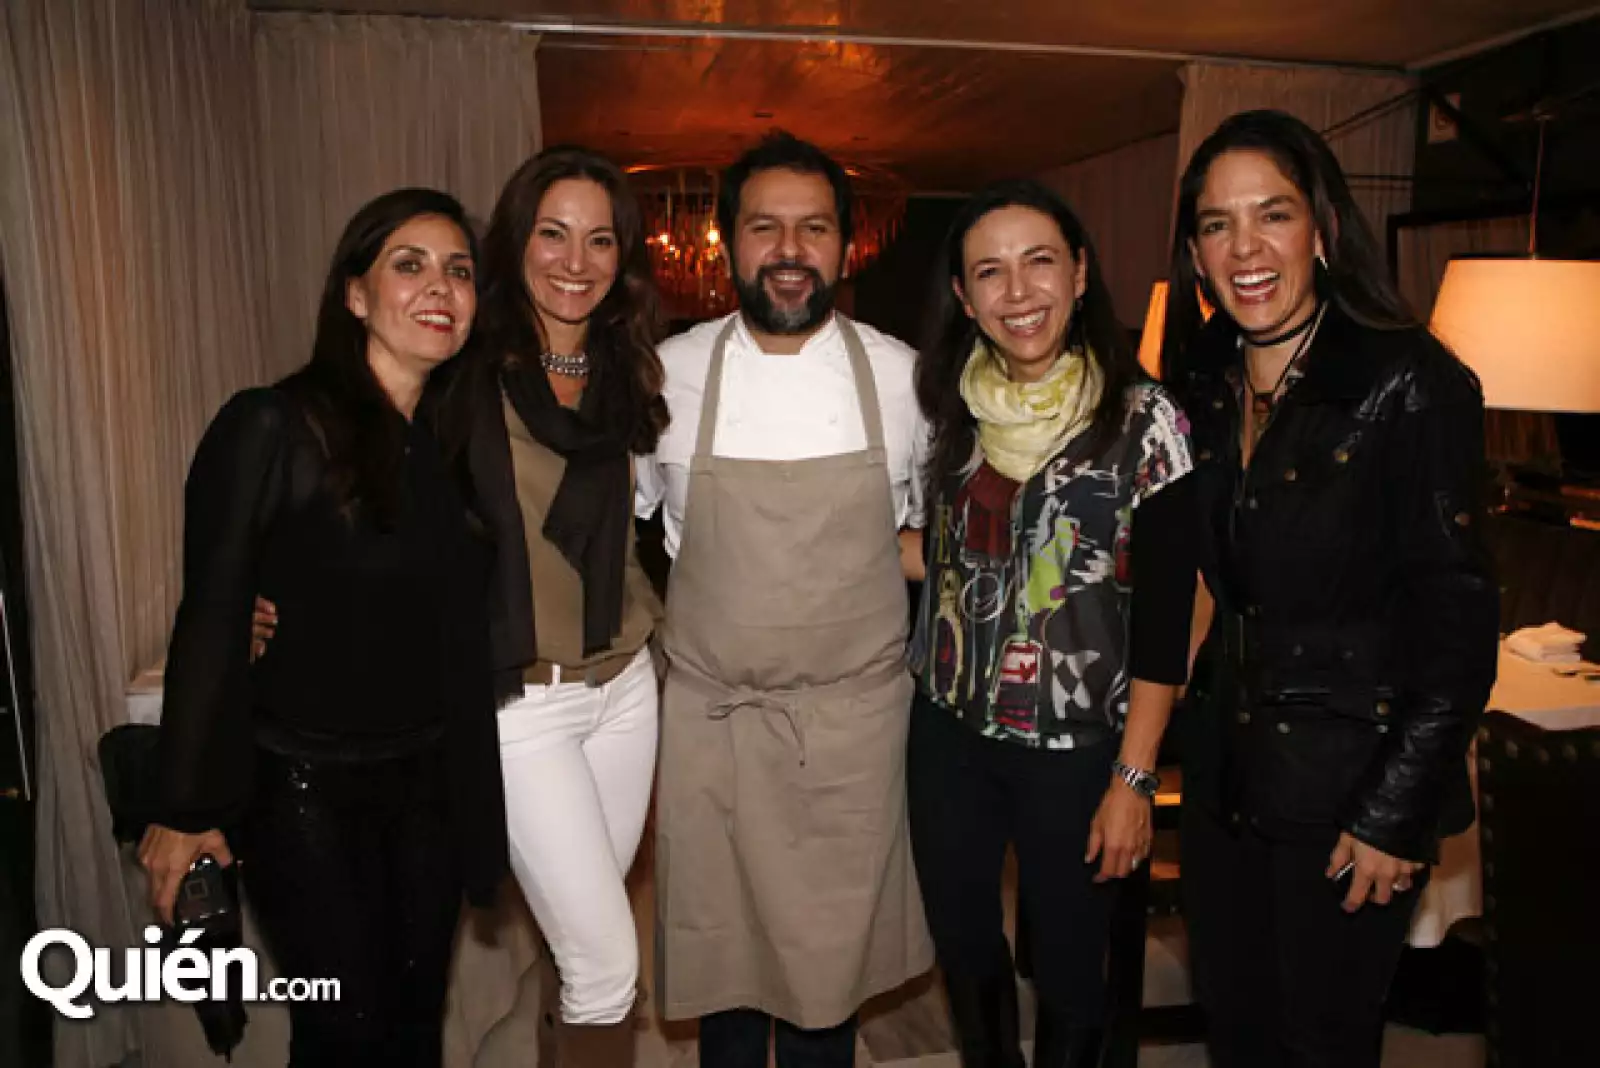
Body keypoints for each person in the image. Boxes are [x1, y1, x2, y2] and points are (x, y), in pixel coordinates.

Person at [1162, 109, 1499, 1068]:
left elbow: (1460, 617)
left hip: (1352, 781)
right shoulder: (1202, 374)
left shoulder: (1412, 380)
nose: (1247, 247)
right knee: (1239, 1031)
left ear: (1323, 228)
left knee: (1323, 1045)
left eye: (1273, 214)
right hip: (1228, 779)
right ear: (1195, 252)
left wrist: (1396, 808)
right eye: (1219, 225)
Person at [141, 188, 505, 1067]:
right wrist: (186, 811)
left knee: (415, 1027)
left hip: (428, 791)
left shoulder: (452, 450)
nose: (439, 288)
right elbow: (215, 613)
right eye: (408, 265)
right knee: (344, 1032)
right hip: (303, 792)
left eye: (458, 271)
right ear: (354, 296)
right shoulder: (269, 423)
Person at [636, 130, 933, 1068]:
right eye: (766, 227)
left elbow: (936, 546)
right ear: (728, 242)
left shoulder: (906, 379)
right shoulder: (663, 377)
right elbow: (600, 536)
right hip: (716, 724)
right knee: (726, 979)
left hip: (850, 730)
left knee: (823, 985)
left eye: (814, 228)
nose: (791, 250)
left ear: (848, 247)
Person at [907, 179, 1197, 1068]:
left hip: (1077, 745)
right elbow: (944, 555)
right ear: (964, 297)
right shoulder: (949, 410)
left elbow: (1168, 612)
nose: (1017, 292)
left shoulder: (1147, 419)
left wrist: (1135, 779)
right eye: (988, 273)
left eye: (1039, 262)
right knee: (964, 947)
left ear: (1079, 271)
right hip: (948, 730)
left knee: (1075, 973)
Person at [429, 145, 670, 1064]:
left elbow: (643, 531)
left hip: (624, 688)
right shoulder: (462, 365)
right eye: (553, 234)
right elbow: (370, 487)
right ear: (515, 241)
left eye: (599, 240)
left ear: (623, 258)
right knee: (609, 962)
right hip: (518, 700)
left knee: (582, 949)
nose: (576, 261)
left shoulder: (629, 371)